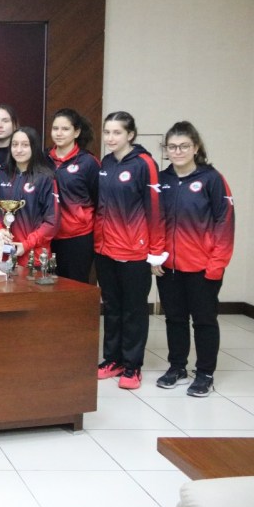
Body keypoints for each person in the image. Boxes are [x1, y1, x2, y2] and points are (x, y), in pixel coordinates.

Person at [154, 121, 234, 397]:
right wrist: (155, 257)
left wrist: (216, 264)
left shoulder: (212, 179)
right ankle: (177, 367)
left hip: (203, 267)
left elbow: (225, 223)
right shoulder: (161, 180)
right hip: (169, 267)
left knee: (204, 321)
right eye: (172, 147)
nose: (177, 151)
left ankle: (204, 374)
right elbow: (154, 221)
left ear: (196, 147)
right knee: (174, 319)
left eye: (184, 146)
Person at [95, 110, 166, 390]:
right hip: (105, 249)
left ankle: (132, 365)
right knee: (112, 307)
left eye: (117, 132)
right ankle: (112, 359)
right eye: (107, 132)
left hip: (134, 252)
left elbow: (155, 209)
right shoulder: (106, 162)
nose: (110, 138)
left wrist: (156, 251)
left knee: (133, 310)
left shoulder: (144, 164)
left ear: (130, 135)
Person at [47, 108, 99, 283]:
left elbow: (99, 199)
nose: (59, 133)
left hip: (77, 238)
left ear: (76, 132)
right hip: (48, 235)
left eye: (65, 129)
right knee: (48, 288)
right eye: (55, 128)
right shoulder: (43, 158)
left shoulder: (88, 162)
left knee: (75, 288)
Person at [0, 127, 58, 263]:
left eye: (25, 145)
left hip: (34, 255)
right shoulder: (1, 173)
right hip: (2, 253)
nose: (19, 150)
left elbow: (52, 222)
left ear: (34, 147)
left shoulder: (45, 178)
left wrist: (27, 244)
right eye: (15, 145)